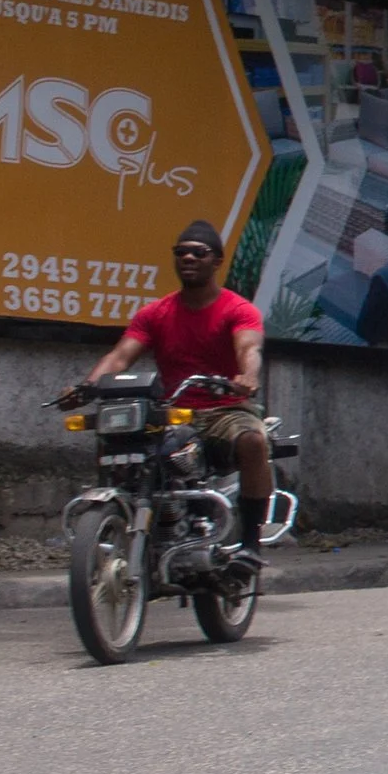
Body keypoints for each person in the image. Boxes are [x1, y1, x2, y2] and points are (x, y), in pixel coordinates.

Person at [73, 219, 269, 564]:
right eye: (181, 252)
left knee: (254, 441)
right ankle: (119, 522)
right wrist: (88, 386)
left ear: (217, 261)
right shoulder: (155, 313)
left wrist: (248, 376)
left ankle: (251, 543)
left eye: (199, 252)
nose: (188, 258)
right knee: (117, 438)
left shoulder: (238, 310)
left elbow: (249, 349)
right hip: (173, 411)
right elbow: (120, 356)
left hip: (224, 409)